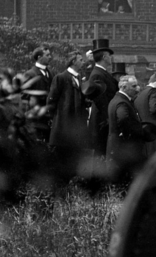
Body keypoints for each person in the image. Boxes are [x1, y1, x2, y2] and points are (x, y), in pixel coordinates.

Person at [106, 74, 156, 185]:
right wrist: (136, 133)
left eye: (137, 85)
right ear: (124, 87)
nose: (138, 89)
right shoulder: (122, 102)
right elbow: (123, 119)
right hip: (124, 148)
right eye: (134, 86)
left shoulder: (118, 99)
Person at [46, 51, 89, 179]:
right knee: (61, 160)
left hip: (76, 127)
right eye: (80, 59)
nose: (83, 62)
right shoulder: (60, 78)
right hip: (63, 126)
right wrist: (55, 119)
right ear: (73, 61)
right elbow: (51, 101)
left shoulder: (80, 78)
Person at [82, 38, 119, 158]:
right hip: (102, 120)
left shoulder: (103, 73)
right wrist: (109, 116)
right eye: (109, 55)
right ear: (104, 57)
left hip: (105, 118)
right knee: (101, 152)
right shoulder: (97, 74)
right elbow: (100, 99)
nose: (111, 58)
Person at [20, 47, 54, 142]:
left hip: (49, 117)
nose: (50, 57)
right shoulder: (30, 74)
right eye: (47, 55)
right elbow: (24, 98)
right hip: (36, 120)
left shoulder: (51, 73)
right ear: (39, 57)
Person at [134, 71, 156, 157]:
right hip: (155, 131)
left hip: (145, 130)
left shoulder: (142, 92)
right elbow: (154, 108)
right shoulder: (154, 92)